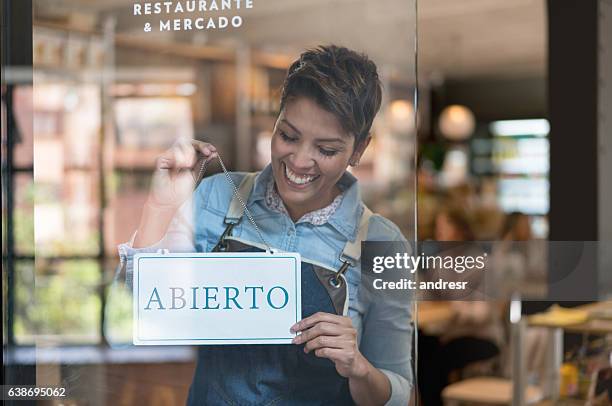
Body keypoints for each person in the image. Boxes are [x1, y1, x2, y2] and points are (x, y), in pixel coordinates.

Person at [118, 45, 413, 405]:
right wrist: (159, 207)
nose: (300, 161)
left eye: (327, 149)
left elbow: (399, 393)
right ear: (276, 121)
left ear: (358, 150)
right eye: (288, 136)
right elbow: (139, 311)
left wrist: (359, 367)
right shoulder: (215, 197)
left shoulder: (383, 243)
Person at [417, 206, 503, 406]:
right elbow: (426, 300)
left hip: (480, 336)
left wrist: (454, 309)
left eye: (444, 226)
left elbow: (484, 313)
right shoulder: (439, 262)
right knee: (418, 348)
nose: (439, 231)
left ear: (461, 229)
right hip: (448, 334)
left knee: (436, 361)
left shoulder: (482, 262)